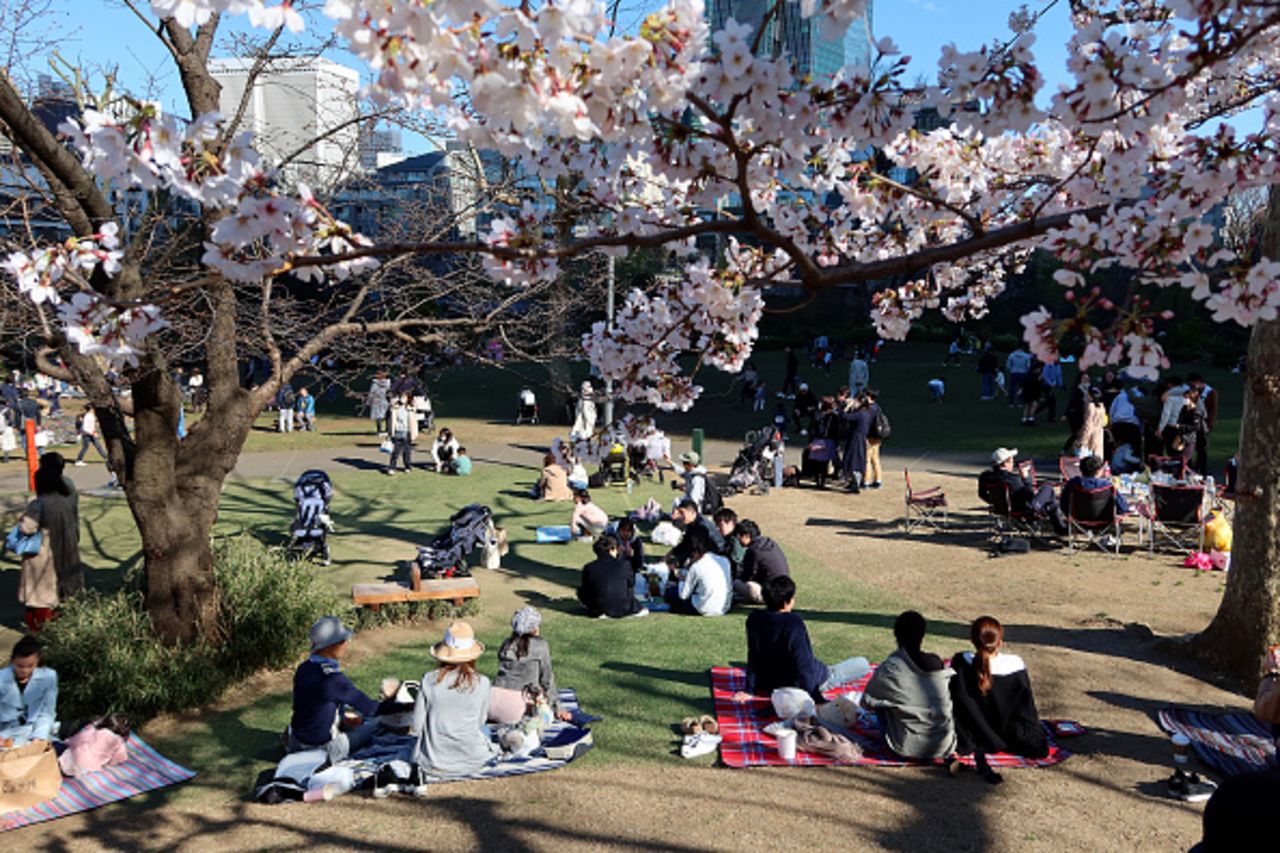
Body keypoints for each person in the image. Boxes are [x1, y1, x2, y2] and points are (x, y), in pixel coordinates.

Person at [731, 576, 870, 705]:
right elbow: (803, 663)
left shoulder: (755, 618)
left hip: (768, 682)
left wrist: (749, 689)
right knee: (863, 664)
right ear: (787, 602)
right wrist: (816, 699)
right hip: (802, 683)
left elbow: (753, 655)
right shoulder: (793, 623)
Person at [288, 617, 405, 762]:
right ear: (328, 647)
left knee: (356, 718)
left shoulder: (304, 668)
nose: (346, 644)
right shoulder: (333, 679)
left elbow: (310, 705)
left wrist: (342, 717)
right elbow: (371, 708)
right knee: (373, 724)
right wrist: (407, 706)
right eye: (342, 641)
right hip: (321, 752)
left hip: (296, 743)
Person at [950, 616, 1049, 784]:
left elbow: (957, 703)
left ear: (973, 640)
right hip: (1010, 734)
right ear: (999, 642)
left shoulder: (961, 662)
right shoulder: (1015, 665)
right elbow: (1026, 710)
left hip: (971, 735)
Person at [860, 611, 957, 760]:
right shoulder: (936, 663)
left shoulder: (891, 667)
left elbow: (866, 701)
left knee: (882, 703)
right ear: (922, 635)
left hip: (906, 747)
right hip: (944, 744)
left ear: (896, 635)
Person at [410, 620, 501, 777]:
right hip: (473, 759)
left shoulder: (428, 680)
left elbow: (417, 726)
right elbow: (480, 721)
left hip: (433, 761)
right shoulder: (483, 682)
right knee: (485, 731)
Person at [490, 607, 575, 724]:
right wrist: (558, 707)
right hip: (517, 707)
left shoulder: (506, 643)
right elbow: (547, 680)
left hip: (492, 701)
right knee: (544, 713)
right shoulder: (540, 645)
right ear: (534, 628)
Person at [978, 447, 1067, 533]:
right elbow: (1030, 495)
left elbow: (982, 494)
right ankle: (1059, 527)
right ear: (1005, 463)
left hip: (1003, 509)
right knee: (1048, 488)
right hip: (1025, 510)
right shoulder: (1013, 480)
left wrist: (996, 502)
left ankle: (1058, 525)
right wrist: (1026, 479)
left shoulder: (985, 477)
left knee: (1052, 504)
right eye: (1012, 460)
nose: (1013, 463)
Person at [31, 454, 82, 601]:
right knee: (69, 563)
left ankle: (61, 596)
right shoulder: (67, 484)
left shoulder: (46, 490)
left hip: (52, 532)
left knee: (56, 566)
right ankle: (71, 596)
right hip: (69, 527)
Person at [0, 635, 58, 746]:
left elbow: (47, 712)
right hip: (5, 733)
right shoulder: (1, 678)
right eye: (20, 666)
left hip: (36, 729)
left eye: (30, 666)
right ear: (12, 661)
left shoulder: (49, 676)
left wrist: (39, 736)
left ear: (38, 661)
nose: (25, 670)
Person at [664, 525, 732, 616]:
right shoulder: (724, 560)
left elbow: (683, 595)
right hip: (724, 607)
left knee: (670, 592)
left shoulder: (696, 566)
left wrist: (680, 579)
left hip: (702, 608)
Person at [576, 535, 647, 620]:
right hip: (624, 608)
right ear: (612, 549)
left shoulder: (589, 567)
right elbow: (631, 583)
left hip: (598, 609)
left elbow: (585, 591)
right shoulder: (625, 565)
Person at [732, 519, 790, 603]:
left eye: (739, 537)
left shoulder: (753, 550)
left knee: (736, 583)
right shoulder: (771, 543)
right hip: (785, 589)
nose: (738, 540)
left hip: (771, 594)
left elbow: (747, 576)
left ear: (746, 536)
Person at [1059, 454, 1129, 514]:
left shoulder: (1072, 484)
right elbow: (1123, 507)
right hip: (1105, 520)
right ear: (1099, 471)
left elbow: (1063, 504)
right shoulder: (1107, 486)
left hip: (1077, 518)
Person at [664, 498, 723, 569]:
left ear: (692, 512)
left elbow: (695, 549)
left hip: (715, 558)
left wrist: (677, 561)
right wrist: (671, 553)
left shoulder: (702, 526)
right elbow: (686, 543)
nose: (680, 516)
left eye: (682, 513)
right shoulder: (692, 523)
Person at [840, 394, 874, 492]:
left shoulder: (860, 413)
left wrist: (845, 407)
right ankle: (853, 482)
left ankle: (855, 484)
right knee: (856, 459)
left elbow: (845, 417)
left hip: (856, 438)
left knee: (854, 460)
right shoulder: (867, 412)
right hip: (860, 437)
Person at [1187, 373, 1219, 476]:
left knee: (1201, 449)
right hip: (1192, 423)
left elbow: (1212, 411)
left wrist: (1209, 426)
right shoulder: (1192, 392)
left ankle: (1202, 470)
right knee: (1190, 446)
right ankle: (1190, 469)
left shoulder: (1211, 393)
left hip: (1203, 424)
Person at [1070, 387, 1107, 458]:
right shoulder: (1101, 407)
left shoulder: (1090, 407)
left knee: (1086, 456)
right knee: (1097, 455)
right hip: (1099, 434)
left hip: (1090, 436)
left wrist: (1082, 441)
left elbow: (1088, 425)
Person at [712, 507, 746, 577]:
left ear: (730, 522)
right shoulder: (730, 536)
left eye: (720, 525)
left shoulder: (736, 539)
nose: (718, 528)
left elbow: (736, 561)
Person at [385, 395, 413, 475]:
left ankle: (407, 467)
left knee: (407, 452)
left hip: (407, 432)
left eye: (405, 398)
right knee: (395, 452)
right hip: (398, 432)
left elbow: (413, 420)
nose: (403, 399)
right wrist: (391, 432)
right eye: (402, 397)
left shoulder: (410, 408)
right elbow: (391, 408)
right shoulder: (395, 408)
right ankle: (392, 468)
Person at [862, 388, 885, 489]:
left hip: (869, 436)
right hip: (877, 436)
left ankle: (865, 481)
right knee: (875, 459)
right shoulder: (877, 407)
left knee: (867, 460)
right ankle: (878, 480)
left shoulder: (868, 408)